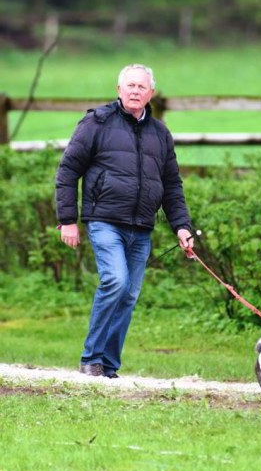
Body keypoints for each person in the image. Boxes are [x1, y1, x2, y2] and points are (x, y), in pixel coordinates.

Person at [55, 64, 193, 378]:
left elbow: (172, 185)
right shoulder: (96, 122)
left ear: (150, 94)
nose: (134, 91)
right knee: (115, 281)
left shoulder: (160, 133)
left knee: (129, 294)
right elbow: (67, 171)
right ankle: (91, 358)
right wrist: (67, 220)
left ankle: (109, 366)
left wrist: (182, 226)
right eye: (129, 85)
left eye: (141, 87)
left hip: (141, 227)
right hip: (104, 221)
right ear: (119, 90)